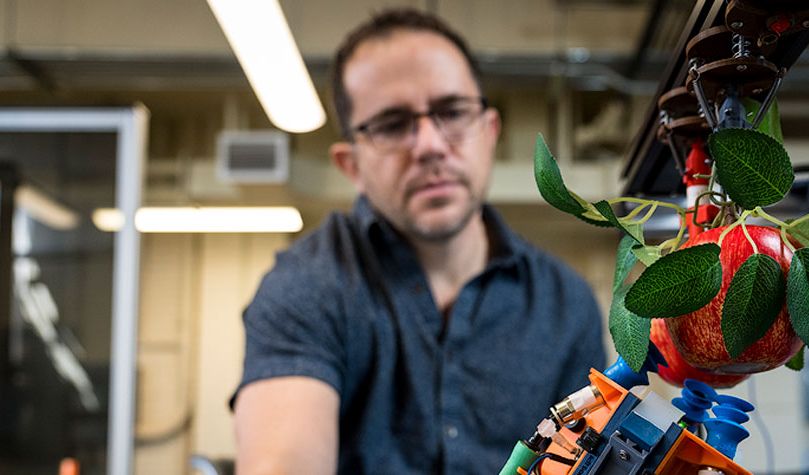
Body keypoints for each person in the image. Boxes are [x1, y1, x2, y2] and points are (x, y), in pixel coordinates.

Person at [230, 8, 606, 475]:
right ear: (352, 166)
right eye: (391, 124)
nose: (429, 144)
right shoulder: (306, 287)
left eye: (451, 112)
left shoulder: (565, 304)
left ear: (488, 132)